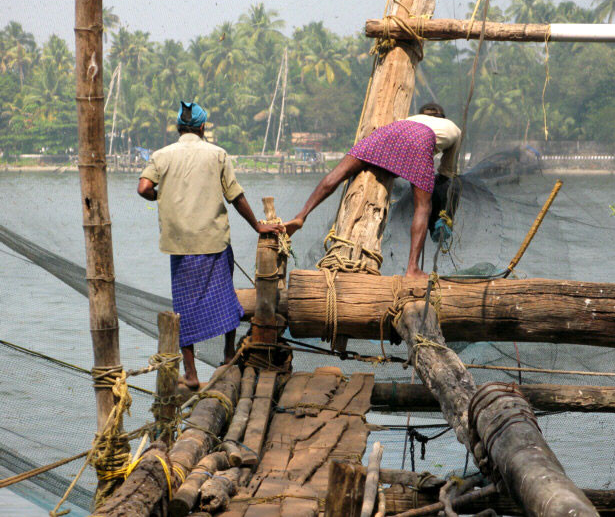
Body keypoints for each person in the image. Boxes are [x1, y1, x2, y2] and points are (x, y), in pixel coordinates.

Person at [137, 101, 282, 390]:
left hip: (180, 247)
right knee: (225, 298)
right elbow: (235, 196)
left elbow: (143, 188)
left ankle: (191, 375)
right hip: (214, 242)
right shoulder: (217, 154)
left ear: (179, 127)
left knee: (184, 308)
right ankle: (228, 355)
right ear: (202, 127)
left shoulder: (161, 155)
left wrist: (160, 197)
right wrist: (258, 226)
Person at [284, 103, 461, 278]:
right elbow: (447, 173)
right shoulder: (454, 129)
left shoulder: (411, 119)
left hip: (387, 132)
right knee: (423, 207)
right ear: (443, 118)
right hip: (421, 139)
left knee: (339, 173)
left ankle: (301, 216)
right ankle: (412, 268)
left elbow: (400, 144)